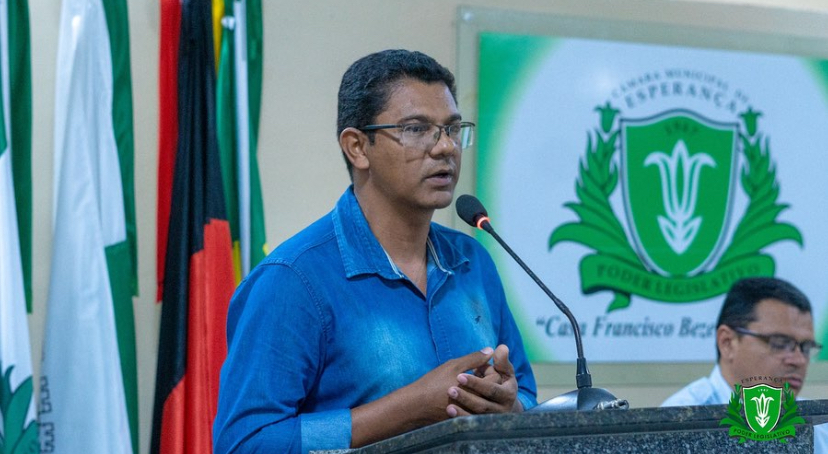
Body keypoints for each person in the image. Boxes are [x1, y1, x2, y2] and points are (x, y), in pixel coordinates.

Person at [213, 49, 537, 454]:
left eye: (453, 129)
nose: (445, 148)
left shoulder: (473, 263)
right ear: (357, 147)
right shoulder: (293, 280)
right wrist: (410, 408)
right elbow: (245, 443)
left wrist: (510, 408)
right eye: (417, 129)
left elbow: (526, 394)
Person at [662, 276, 825, 451]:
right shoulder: (678, 423)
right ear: (727, 343)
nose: (799, 360)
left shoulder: (820, 426)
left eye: (806, 347)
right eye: (780, 343)